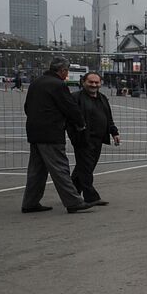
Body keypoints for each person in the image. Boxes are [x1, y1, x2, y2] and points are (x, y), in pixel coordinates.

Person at [21, 57, 93, 214]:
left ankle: (30, 202)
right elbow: (70, 107)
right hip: (51, 133)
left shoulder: (36, 82)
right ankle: (73, 202)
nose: (67, 74)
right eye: (66, 71)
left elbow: (27, 107)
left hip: (34, 132)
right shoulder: (58, 84)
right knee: (60, 168)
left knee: (37, 170)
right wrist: (80, 124)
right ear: (63, 71)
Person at [70, 71, 121, 207]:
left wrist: (114, 133)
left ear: (100, 83)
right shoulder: (76, 98)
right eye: (90, 82)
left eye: (96, 82)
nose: (94, 85)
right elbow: (70, 118)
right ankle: (91, 197)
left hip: (98, 139)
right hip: (82, 139)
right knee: (86, 168)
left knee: (85, 167)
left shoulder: (102, 98)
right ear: (83, 82)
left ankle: (71, 193)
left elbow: (108, 117)